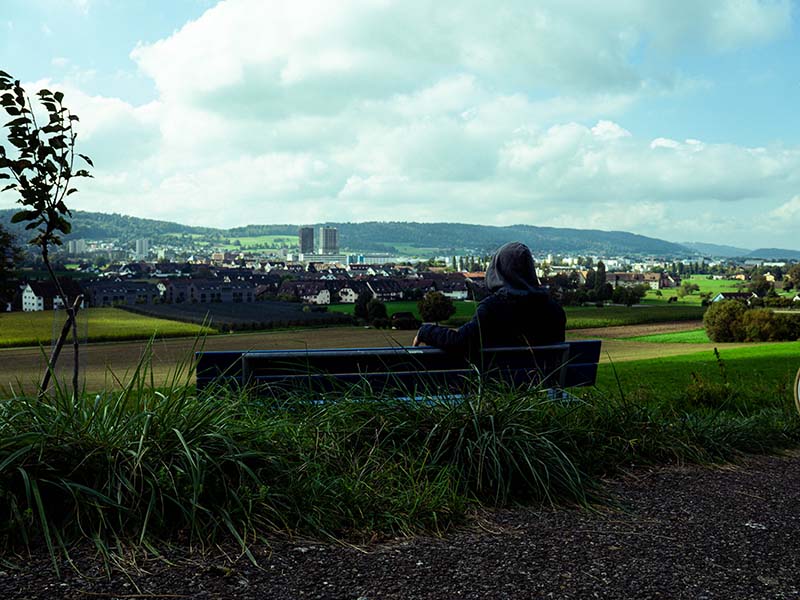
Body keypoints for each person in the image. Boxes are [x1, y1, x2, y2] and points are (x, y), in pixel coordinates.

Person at [412, 241, 565, 353]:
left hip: (501, 387)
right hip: (542, 389)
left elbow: (460, 341)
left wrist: (426, 331)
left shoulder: (493, 308)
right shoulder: (554, 310)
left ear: (497, 270)